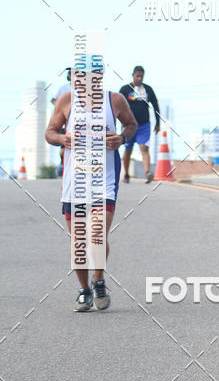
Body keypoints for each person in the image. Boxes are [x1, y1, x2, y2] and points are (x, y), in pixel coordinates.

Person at [45, 63, 137, 311]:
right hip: (74, 183)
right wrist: (63, 139)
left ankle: (98, 281)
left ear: (99, 77)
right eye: (78, 76)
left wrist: (122, 138)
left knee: (97, 235)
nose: (83, 80)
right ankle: (84, 289)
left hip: (103, 181)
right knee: (78, 242)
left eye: (89, 75)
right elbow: (50, 133)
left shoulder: (115, 100)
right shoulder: (66, 101)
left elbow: (131, 124)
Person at [119, 66, 160, 183]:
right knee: (128, 150)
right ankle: (126, 174)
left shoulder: (148, 90)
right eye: (137, 76)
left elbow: (155, 105)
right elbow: (117, 106)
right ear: (133, 75)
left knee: (144, 148)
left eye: (141, 76)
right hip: (128, 125)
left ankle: (147, 173)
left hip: (144, 125)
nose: (139, 78)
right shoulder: (125, 89)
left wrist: (158, 123)